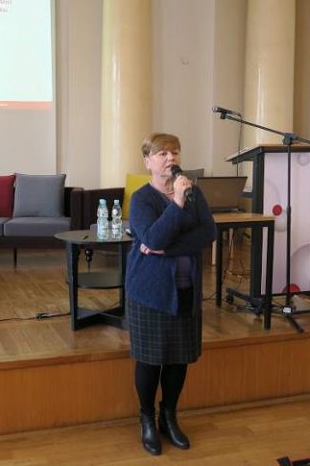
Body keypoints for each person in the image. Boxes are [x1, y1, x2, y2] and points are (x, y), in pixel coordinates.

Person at [125, 132, 216, 456]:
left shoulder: (194, 192)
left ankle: (169, 416)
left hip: (185, 287)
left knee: (179, 359)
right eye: (162, 153)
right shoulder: (142, 199)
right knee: (150, 360)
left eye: (174, 152)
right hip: (149, 292)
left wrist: (167, 248)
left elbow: (208, 232)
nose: (171, 158)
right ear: (147, 162)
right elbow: (152, 237)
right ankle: (147, 418)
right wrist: (176, 203)